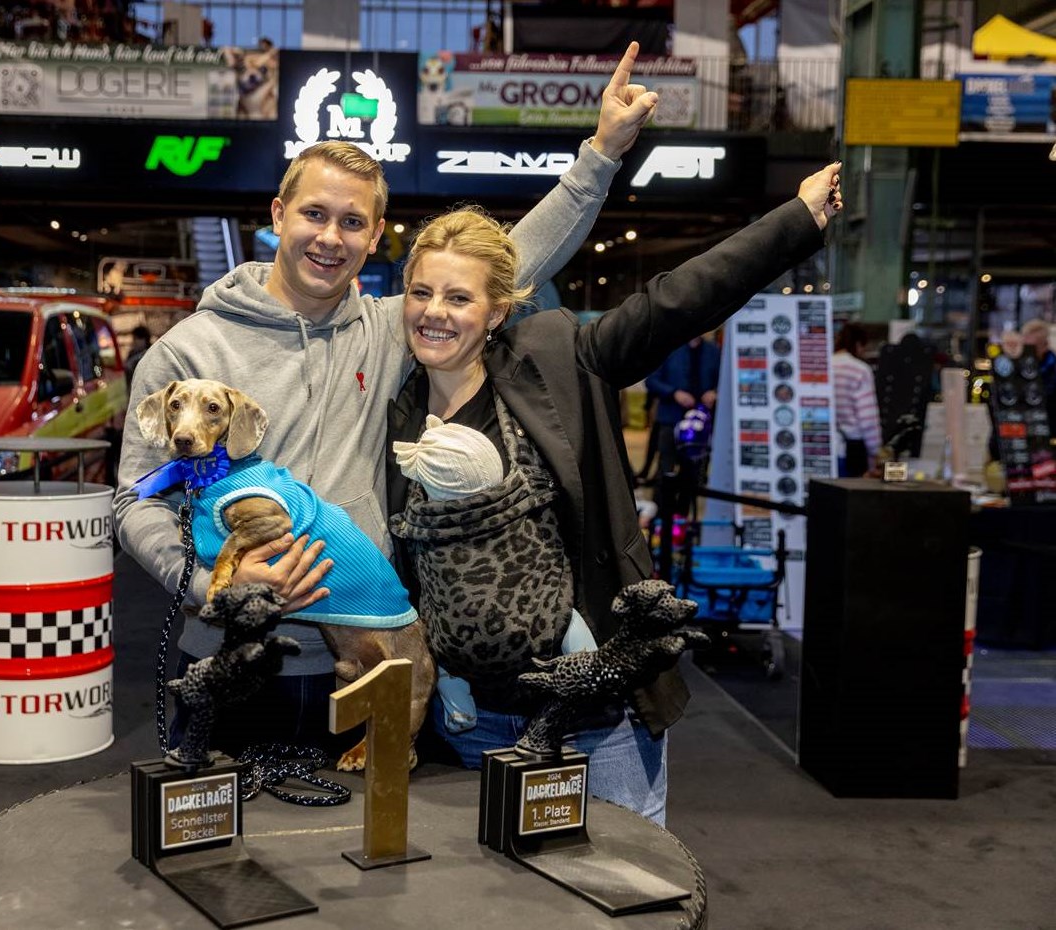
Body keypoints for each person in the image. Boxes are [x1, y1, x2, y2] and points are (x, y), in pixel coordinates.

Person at [115, 43, 660, 754]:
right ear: (279, 214)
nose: (329, 238)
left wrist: (600, 156)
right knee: (219, 826)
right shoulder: (187, 353)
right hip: (231, 655)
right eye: (314, 214)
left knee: (371, 827)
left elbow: (505, 264)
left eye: (352, 222)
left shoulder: (386, 331)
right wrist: (208, 586)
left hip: (368, 654)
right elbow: (136, 501)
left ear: (374, 236)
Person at [385, 164, 843, 824]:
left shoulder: (556, 358)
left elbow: (675, 302)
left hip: (597, 713)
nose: (435, 312)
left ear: (497, 310)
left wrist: (794, 221)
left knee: (627, 880)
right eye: (421, 292)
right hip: (469, 721)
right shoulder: (399, 412)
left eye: (459, 297)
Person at [644, 332, 720, 511]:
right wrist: (674, 393)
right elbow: (651, 381)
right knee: (666, 468)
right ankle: (659, 515)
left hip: (700, 423)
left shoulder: (713, 351)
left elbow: (723, 380)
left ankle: (682, 516)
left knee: (693, 472)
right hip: (671, 419)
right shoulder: (668, 348)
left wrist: (714, 392)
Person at [832, 322, 882, 477]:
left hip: (823, 446)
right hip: (852, 450)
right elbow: (867, 418)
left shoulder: (824, 366)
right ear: (858, 344)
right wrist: (876, 452)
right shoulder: (860, 370)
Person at [1021, 318, 1056, 429]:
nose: (1027, 351)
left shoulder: (1052, 368)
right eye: (1025, 346)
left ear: (1045, 345)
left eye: (1033, 347)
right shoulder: (1020, 366)